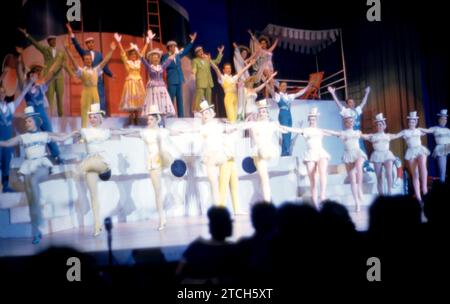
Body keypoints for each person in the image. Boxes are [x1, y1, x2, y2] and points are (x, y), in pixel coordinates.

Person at [0, 106, 77, 244]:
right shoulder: (23, 137)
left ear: (35, 121)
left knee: (34, 180)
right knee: (32, 203)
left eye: (29, 121)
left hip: (42, 165)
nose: (26, 123)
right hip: (28, 166)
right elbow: (6, 143)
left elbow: (61, 137)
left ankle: (37, 205)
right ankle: (37, 232)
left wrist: (72, 134)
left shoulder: (44, 135)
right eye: (26, 121)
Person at [16, 50, 62, 162]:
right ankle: (36, 157)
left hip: (42, 113)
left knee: (48, 133)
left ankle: (56, 155)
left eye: (38, 72)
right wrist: (19, 59)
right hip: (32, 116)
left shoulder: (41, 86)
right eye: (35, 71)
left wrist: (58, 68)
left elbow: (51, 76)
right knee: (35, 136)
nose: (37, 74)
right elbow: (20, 73)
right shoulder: (25, 86)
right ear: (31, 73)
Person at [18, 28, 72, 116]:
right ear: (48, 42)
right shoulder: (45, 49)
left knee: (59, 99)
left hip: (59, 77)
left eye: (54, 40)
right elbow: (36, 44)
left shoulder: (61, 52)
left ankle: (61, 118)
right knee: (49, 98)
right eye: (51, 40)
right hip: (48, 77)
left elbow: (65, 64)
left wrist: (71, 74)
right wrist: (27, 35)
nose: (53, 41)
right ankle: (49, 117)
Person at [285, 107, 331, 207]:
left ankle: (322, 195)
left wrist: (341, 134)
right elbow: (294, 130)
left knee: (323, 172)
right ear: (308, 120)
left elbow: (333, 133)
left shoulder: (320, 130)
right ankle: (315, 204)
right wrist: (283, 127)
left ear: (316, 120)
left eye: (313, 119)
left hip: (320, 152)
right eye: (310, 119)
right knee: (313, 180)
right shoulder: (305, 130)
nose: (312, 121)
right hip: (310, 154)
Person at [64, 40, 116, 128]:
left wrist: (111, 50)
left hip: (95, 94)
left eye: (89, 59)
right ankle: (84, 131)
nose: (88, 61)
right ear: (84, 61)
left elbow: (105, 61)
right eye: (86, 59)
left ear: (91, 61)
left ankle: (96, 130)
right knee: (85, 113)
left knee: (96, 113)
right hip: (86, 94)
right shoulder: (81, 71)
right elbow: (73, 61)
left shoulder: (96, 70)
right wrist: (67, 50)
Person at [325, 108, 367, 212]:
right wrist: (322, 131)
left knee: (359, 165)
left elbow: (366, 136)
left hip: (357, 152)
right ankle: (357, 202)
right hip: (348, 154)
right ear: (345, 123)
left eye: (352, 121)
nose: (351, 123)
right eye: (348, 122)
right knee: (352, 179)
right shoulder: (343, 133)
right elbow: (333, 133)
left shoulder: (357, 132)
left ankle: (360, 188)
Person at [66, 23, 114, 113]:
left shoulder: (99, 54)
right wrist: (71, 33)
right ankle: (91, 114)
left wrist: (110, 74)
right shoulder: (84, 53)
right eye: (89, 43)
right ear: (87, 45)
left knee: (100, 95)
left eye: (92, 42)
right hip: (88, 78)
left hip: (98, 78)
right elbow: (77, 45)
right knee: (90, 97)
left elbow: (104, 65)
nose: (91, 44)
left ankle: (102, 114)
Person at [0, 81, 34, 192]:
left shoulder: (10, 106)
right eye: (0, 92)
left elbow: (22, 94)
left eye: (3, 92)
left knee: (6, 164)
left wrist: (31, 82)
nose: (1, 94)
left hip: (8, 141)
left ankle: (5, 187)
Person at [113, 31, 152, 125]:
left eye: (135, 54)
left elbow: (142, 53)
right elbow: (122, 54)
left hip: (138, 82)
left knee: (138, 101)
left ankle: (136, 116)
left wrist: (147, 43)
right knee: (131, 101)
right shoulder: (128, 63)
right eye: (131, 54)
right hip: (130, 82)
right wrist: (119, 43)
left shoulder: (139, 62)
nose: (133, 56)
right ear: (129, 56)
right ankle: (131, 116)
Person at [393, 111, 430, 201]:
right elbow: (395, 136)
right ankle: (418, 197)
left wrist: (422, 128)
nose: (411, 124)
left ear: (416, 122)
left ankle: (425, 190)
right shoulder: (405, 132)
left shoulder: (419, 130)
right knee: (415, 174)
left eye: (413, 122)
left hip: (420, 149)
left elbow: (430, 131)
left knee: (423, 168)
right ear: (408, 122)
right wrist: (385, 137)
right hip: (411, 152)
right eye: (410, 122)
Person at [361, 113, 399, 195]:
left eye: (381, 125)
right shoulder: (373, 136)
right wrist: (356, 134)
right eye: (377, 125)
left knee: (389, 173)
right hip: (377, 155)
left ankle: (389, 191)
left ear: (384, 126)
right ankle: (381, 195)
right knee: (379, 176)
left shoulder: (388, 135)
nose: (379, 126)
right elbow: (362, 136)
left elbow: (398, 135)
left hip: (387, 155)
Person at [270, 81, 311, 156]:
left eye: (285, 85)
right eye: (282, 85)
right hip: (283, 114)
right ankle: (285, 152)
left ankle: (286, 151)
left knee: (289, 132)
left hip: (289, 115)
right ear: (279, 87)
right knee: (285, 132)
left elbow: (299, 93)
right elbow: (272, 92)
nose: (284, 87)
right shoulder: (278, 96)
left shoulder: (289, 96)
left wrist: (307, 87)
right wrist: (269, 83)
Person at [162, 33, 197, 117]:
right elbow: (164, 65)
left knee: (180, 99)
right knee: (171, 99)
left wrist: (192, 41)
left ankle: (181, 117)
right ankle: (170, 116)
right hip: (171, 79)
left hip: (179, 79)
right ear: (169, 47)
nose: (173, 47)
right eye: (172, 46)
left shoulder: (178, 55)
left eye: (174, 46)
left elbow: (185, 50)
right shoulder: (165, 56)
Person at [138, 45, 176, 119]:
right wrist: (138, 51)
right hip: (153, 88)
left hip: (161, 88)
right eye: (154, 58)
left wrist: (176, 53)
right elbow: (143, 60)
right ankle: (154, 119)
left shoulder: (161, 67)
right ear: (151, 59)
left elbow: (168, 60)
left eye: (157, 58)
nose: (156, 59)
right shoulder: (149, 67)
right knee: (154, 103)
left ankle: (162, 120)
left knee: (162, 102)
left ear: (159, 59)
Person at [328, 85, 370, 151]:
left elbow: (363, 102)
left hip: (357, 133)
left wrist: (367, 93)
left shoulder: (357, 110)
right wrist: (333, 93)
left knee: (360, 148)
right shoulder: (345, 111)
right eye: (350, 102)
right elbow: (337, 103)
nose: (352, 103)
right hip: (349, 134)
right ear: (347, 104)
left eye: (353, 102)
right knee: (351, 149)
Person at [191, 45, 224, 112]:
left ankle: (208, 113)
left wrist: (220, 53)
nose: (201, 52)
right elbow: (194, 68)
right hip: (200, 82)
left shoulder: (207, 59)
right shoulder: (195, 60)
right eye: (199, 51)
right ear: (196, 54)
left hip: (208, 82)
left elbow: (217, 61)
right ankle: (197, 112)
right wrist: (193, 73)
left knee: (208, 99)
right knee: (199, 98)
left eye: (202, 51)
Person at [420, 109, 449, 183]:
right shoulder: (435, 128)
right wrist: (419, 129)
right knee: (442, 171)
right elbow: (426, 131)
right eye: (442, 119)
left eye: (445, 119)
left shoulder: (448, 130)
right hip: (441, 149)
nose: (444, 121)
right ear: (439, 119)